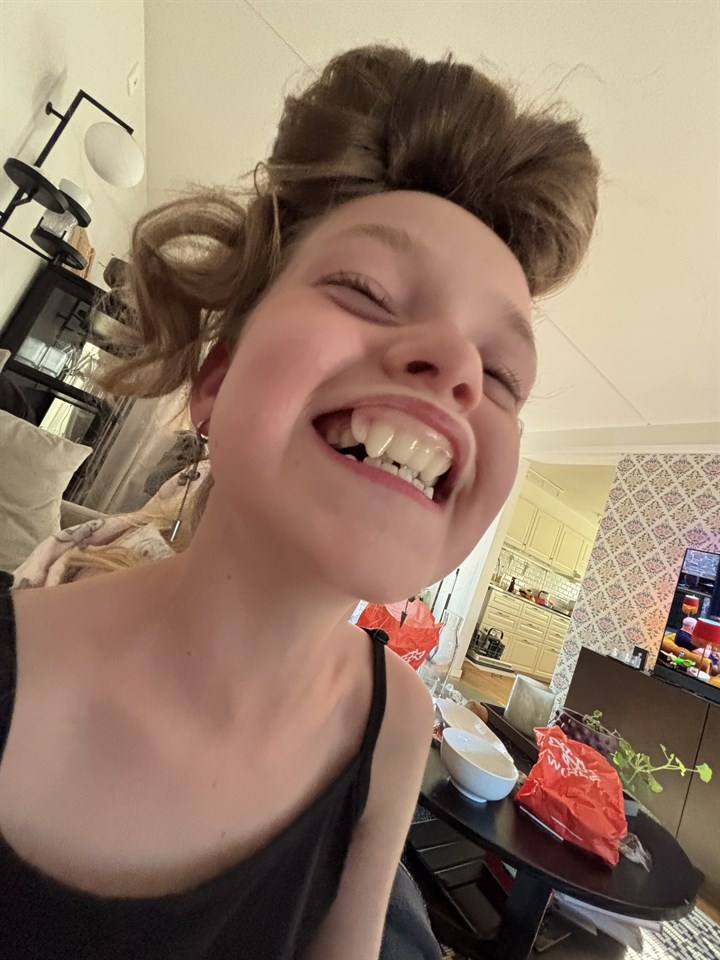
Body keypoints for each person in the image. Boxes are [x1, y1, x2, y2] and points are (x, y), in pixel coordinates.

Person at [0, 45, 598, 959]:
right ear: (215, 382)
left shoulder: (397, 723)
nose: (457, 367)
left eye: (503, 374)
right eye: (366, 290)